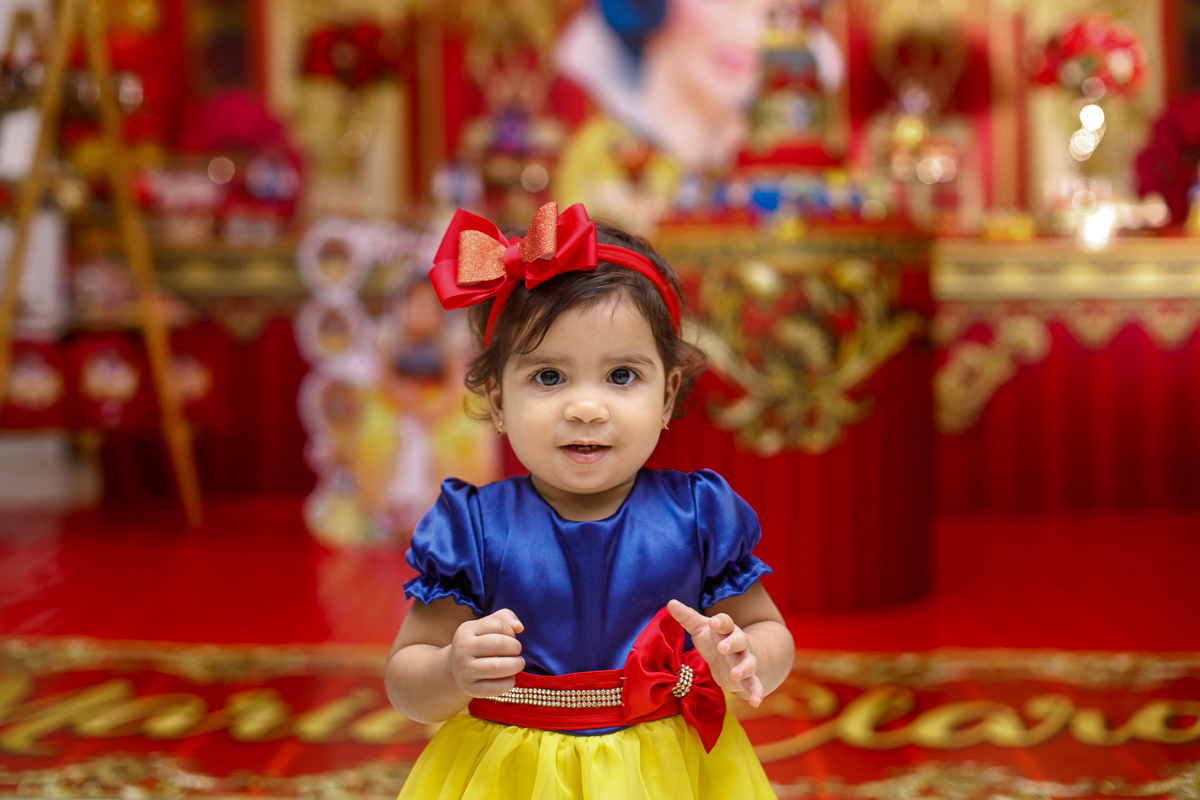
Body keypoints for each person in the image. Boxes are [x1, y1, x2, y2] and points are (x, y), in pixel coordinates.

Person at [386, 201, 793, 799]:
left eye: (622, 375)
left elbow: (770, 634)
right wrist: (449, 670)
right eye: (548, 377)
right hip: (514, 774)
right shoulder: (472, 528)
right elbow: (404, 680)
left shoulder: (698, 515)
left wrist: (746, 655)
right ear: (498, 400)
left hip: (665, 775)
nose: (586, 407)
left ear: (666, 393)